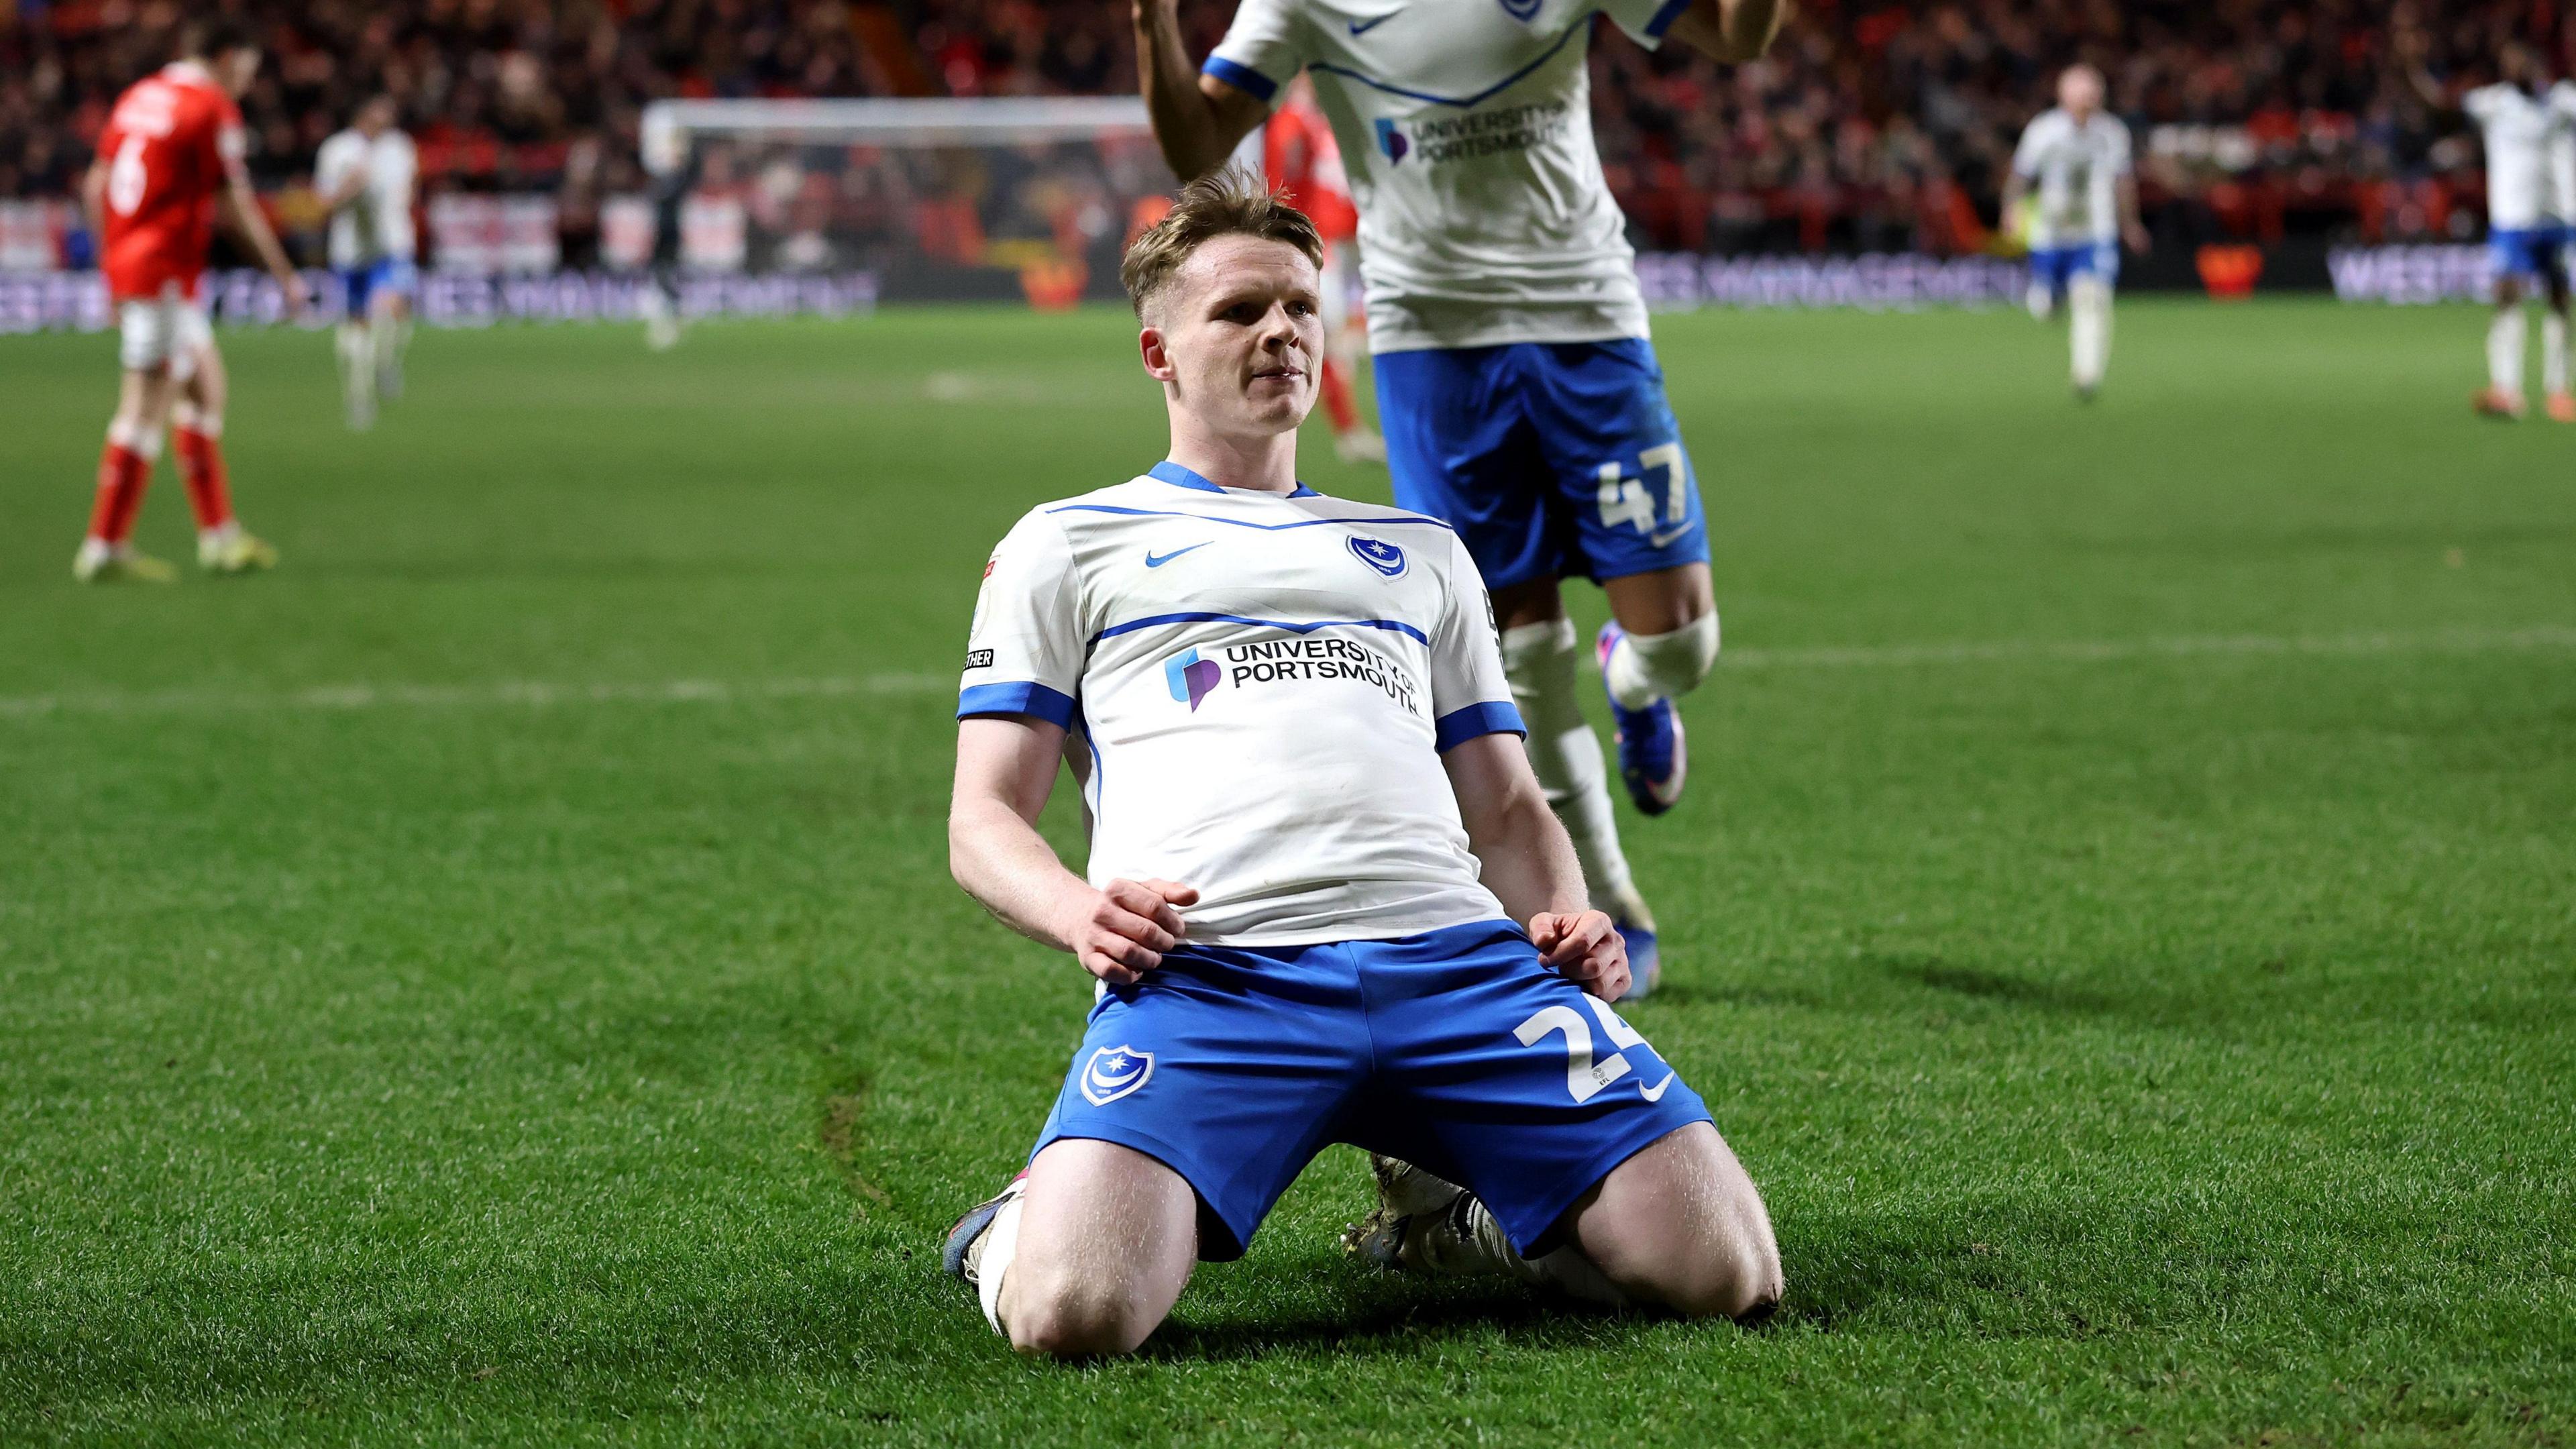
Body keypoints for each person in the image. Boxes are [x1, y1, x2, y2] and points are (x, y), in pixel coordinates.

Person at [938, 174, 1780, 1358]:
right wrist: (1081, 913)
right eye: (1239, 312)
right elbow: (984, 820)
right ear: (1158, 353)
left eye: (1299, 307)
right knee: (1073, 1318)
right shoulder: (1066, 544)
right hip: (1215, 977)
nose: (1280, 331)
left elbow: (1502, 798)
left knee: (1726, 1271)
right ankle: (1013, 1226)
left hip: (1460, 968)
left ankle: (1458, 1217)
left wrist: (1569, 915)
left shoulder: (1420, 552)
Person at [1133, 0, 1788, 998]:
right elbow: (1196, 144)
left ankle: (1637, 685)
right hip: (1430, 342)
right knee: (1518, 645)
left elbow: (1740, 37)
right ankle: (1606, 903)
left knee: (1682, 640)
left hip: (1585, 318)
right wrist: (1149, 22)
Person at [75, 18, 304, 584]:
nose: (246, 85)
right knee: (142, 410)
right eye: (247, 72)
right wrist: (283, 274)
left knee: (204, 390)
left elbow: (94, 186)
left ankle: (219, 538)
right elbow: (234, 205)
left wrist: (111, 270)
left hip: (141, 267)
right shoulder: (208, 108)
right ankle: (103, 547)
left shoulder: (140, 96)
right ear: (227, 57)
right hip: (164, 274)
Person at [2406, 41, 2574, 421]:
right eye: (2512, 63)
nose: (2520, 68)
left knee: (2559, 302)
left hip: (2559, 219)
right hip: (2512, 221)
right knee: (2506, 299)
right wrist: (2411, 68)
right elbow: (2441, 108)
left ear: (2539, 65)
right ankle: (2507, 390)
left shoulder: (2563, 101)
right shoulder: (2494, 103)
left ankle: (2559, 391)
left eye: (2526, 61)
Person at [1251, 76, 1383, 464]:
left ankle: (1347, 431)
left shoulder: (1309, 123)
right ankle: (1345, 432)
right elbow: (1282, 187)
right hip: (1312, 246)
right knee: (1327, 342)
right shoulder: (1293, 124)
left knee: (1331, 342)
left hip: (1328, 242)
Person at [2002, 64, 2149, 401]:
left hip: (2095, 231)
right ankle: (2050, 298)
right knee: (2043, 305)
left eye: (2092, 94)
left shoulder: (2112, 133)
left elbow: (2122, 182)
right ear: (2064, 96)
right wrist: (2011, 210)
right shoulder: (2043, 131)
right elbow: (2020, 176)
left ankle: (2086, 374)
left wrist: (2129, 224)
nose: (2087, 101)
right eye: (2080, 94)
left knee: (2091, 299)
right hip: (2051, 233)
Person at [315, 94, 418, 429]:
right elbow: (324, 202)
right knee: (357, 322)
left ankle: (387, 363)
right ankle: (358, 397)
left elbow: (409, 188)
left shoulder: (399, 147)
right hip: (351, 251)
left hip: (393, 244)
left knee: (395, 310)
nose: (386, 116)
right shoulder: (337, 150)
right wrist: (351, 188)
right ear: (364, 112)